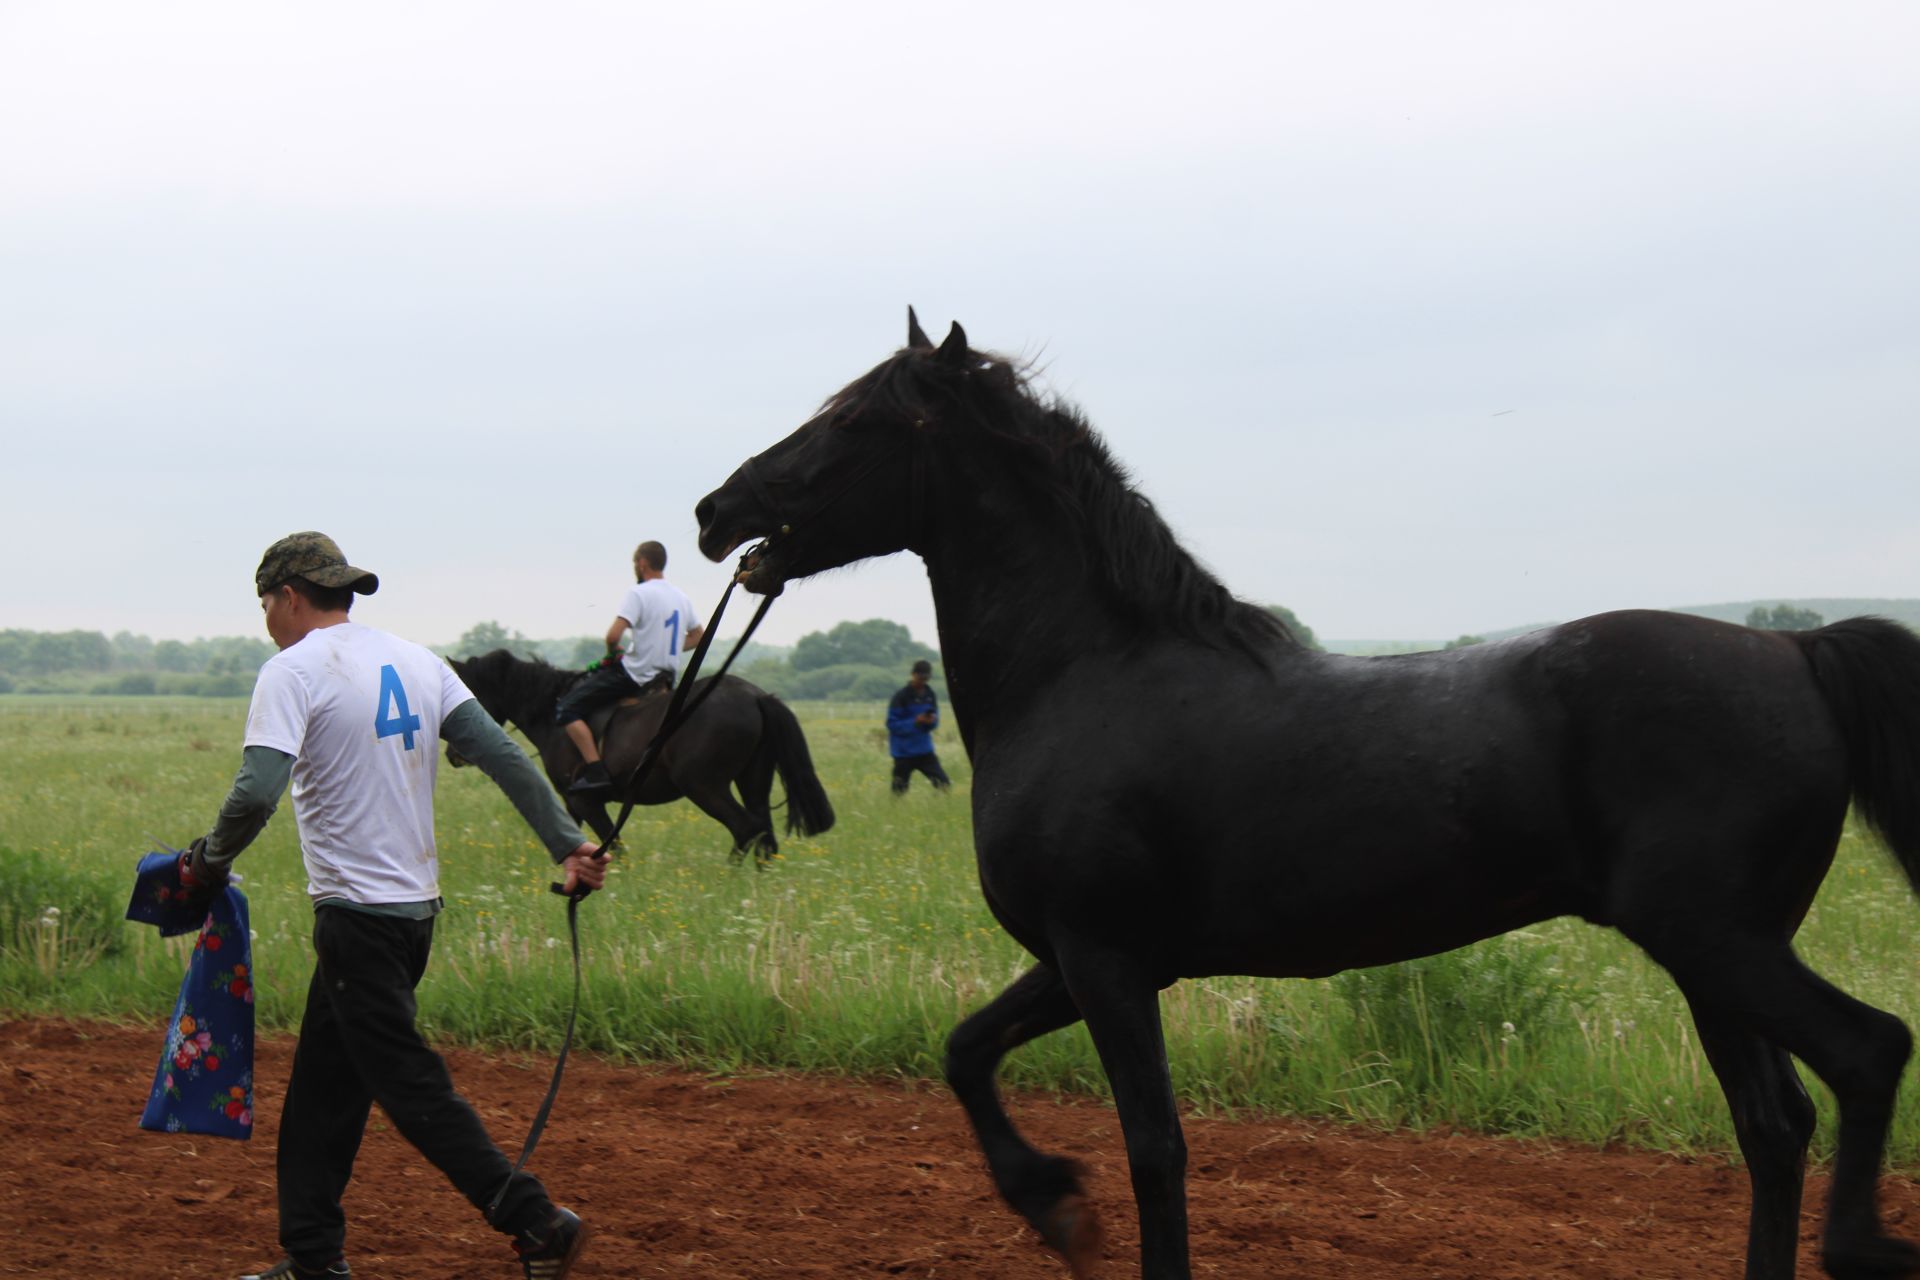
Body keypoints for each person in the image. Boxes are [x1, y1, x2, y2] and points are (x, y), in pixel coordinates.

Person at [177, 531, 607, 1280]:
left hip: (356, 921)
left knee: (408, 1085)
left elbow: (255, 792)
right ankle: (312, 1258)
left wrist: (207, 863)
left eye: (265, 606)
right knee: (322, 1091)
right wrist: (567, 842)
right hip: (413, 918)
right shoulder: (419, 661)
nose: (268, 622)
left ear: (286, 597)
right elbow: (504, 755)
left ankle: (534, 1221)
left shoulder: (291, 670)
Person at [556, 540, 703, 798]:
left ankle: (595, 769)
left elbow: (613, 637)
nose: (636, 567)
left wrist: (613, 654)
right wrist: (664, 648)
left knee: (567, 708)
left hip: (636, 675)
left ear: (642, 563)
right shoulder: (681, 597)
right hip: (666, 679)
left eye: (635, 563)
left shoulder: (639, 593)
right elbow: (699, 636)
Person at [885, 658, 951, 794]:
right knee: (899, 792)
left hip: (924, 751)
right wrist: (916, 721)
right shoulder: (901, 696)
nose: (922, 682)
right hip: (903, 753)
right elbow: (892, 724)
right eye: (920, 678)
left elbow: (934, 722)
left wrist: (930, 722)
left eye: (926, 679)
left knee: (944, 785)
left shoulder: (930, 694)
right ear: (913, 674)